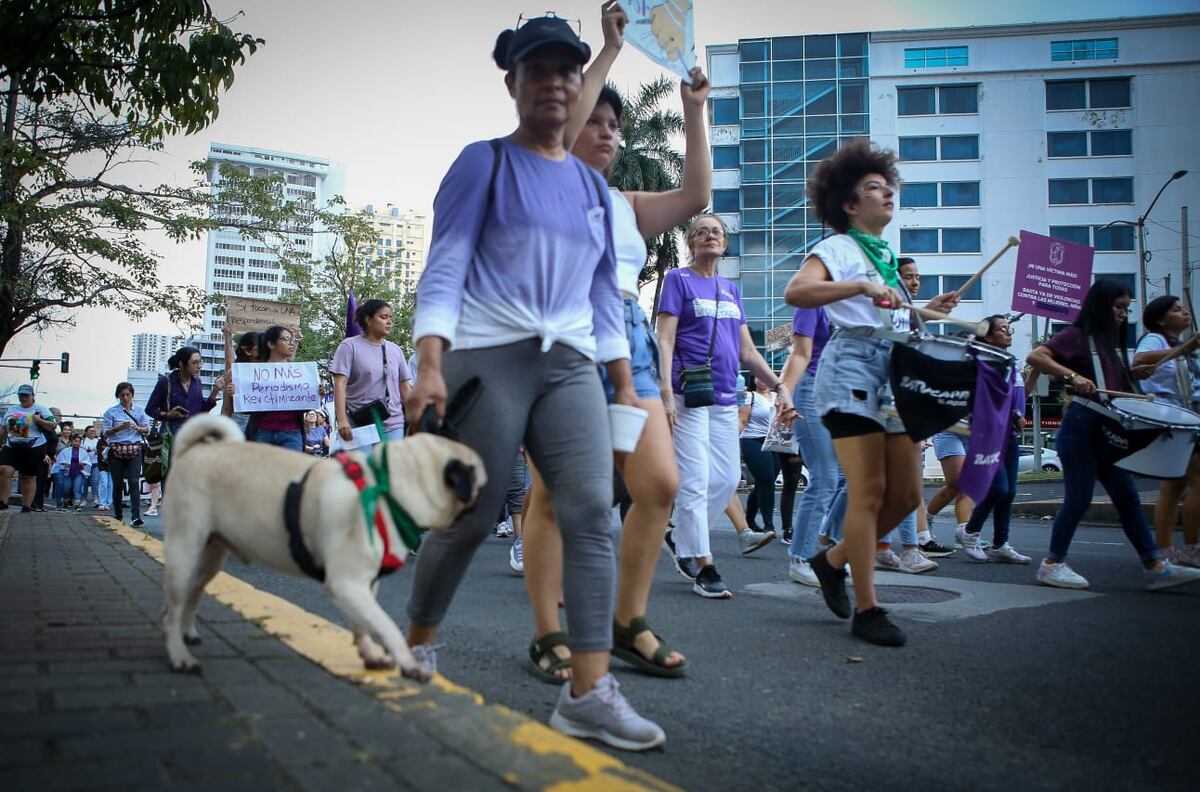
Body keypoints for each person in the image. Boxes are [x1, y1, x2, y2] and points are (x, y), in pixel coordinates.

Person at [403, 15, 664, 751]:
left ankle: (588, 691)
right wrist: (429, 362)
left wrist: (623, 381)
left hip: (572, 365)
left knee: (591, 513)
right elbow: (445, 266)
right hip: (487, 358)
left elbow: (602, 293)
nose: (554, 82)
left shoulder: (591, 188)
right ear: (512, 82)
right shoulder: (482, 162)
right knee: (473, 516)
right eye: (537, 70)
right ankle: (418, 641)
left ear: (580, 82)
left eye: (566, 71)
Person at [519, 2, 706, 683]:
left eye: (613, 125)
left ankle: (628, 621)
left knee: (658, 483)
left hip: (625, 333)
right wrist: (611, 49)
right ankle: (550, 633)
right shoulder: (547, 178)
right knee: (554, 497)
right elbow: (565, 125)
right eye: (594, 119)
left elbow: (695, 193)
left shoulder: (627, 204)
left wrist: (692, 107)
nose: (603, 130)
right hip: (562, 335)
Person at [783, 139, 961, 646]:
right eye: (873, 188)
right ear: (848, 203)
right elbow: (797, 292)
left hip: (895, 367)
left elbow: (889, 315)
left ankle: (832, 559)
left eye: (888, 187)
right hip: (852, 366)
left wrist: (927, 311)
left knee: (906, 495)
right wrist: (856, 287)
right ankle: (869, 607)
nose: (886, 194)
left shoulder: (884, 258)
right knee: (868, 493)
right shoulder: (840, 247)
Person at [1027, 279, 1200, 590]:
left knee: (1128, 498)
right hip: (1081, 426)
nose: (1123, 314)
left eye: (1126, 308)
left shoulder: (1105, 344)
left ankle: (1154, 565)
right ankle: (1052, 564)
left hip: (1104, 429)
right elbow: (1036, 356)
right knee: (1079, 498)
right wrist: (1072, 375)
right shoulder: (1078, 336)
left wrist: (1133, 376)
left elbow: (1113, 389)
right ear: (1100, 306)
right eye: (1118, 307)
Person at [658, 213, 793, 599]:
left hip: (725, 397)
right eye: (701, 232)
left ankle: (680, 534)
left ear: (725, 242)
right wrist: (665, 390)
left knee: (727, 478)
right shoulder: (677, 281)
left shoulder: (730, 290)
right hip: (689, 394)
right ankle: (704, 563)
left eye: (715, 231)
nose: (709, 236)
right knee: (696, 479)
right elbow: (665, 338)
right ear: (691, 242)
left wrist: (779, 385)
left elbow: (748, 351)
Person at [1132, 294, 1200, 567]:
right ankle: (1193, 548)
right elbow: (1140, 360)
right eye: (1176, 309)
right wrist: (1184, 349)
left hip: (1190, 417)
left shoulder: (1185, 346)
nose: (1184, 312)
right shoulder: (1156, 340)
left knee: (1174, 487)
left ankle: (1165, 552)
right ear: (1161, 319)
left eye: (1184, 308)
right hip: (1172, 418)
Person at [959, 316, 1033, 563]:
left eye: (1009, 328)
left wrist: (1016, 415)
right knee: (998, 487)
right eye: (1003, 329)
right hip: (986, 433)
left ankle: (1000, 544)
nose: (1009, 333)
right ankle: (970, 531)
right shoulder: (981, 360)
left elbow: (1009, 397)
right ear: (988, 336)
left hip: (1008, 433)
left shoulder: (1009, 362)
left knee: (1009, 491)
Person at [332, 299, 412, 451]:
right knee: (364, 471)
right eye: (383, 317)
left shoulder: (395, 350)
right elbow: (339, 384)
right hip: (360, 424)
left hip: (393, 423)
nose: (389, 322)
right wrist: (342, 420)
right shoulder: (349, 346)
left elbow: (405, 388)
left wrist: (414, 418)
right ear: (368, 320)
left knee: (390, 470)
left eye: (390, 318)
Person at [145, 346, 224, 480]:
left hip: (192, 435)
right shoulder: (166, 382)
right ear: (182, 364)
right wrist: (167, 414)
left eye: (200, 362)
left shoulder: (197, 382)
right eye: (194, 363)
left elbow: (200, 411)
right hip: (170, 435)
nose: (199, 366)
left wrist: (215, 391)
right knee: (170, 475)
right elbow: (150, 408)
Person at [244, 325, 306, 451]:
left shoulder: (299, 373)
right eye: (285, 339)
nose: (291, 343)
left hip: (291, 433)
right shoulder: (255, 372)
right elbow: (245, 406)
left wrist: (318, 393)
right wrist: (236, 393)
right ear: (271, 344)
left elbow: (307, 404)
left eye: (292, 340)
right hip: (262, 431)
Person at [0, 385, 57, 513]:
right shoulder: (12, 410)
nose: (23, 398)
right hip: (13, 445)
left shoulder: (41, 410)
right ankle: (3, 502)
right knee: (4, 470)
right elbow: (3, 428)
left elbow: (53, 426)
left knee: (28, 476)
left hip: (34, 446)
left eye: (26, 395)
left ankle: (27, 506)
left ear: (32, 396)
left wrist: (39, 420)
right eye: (21, 396)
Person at [739, 374, 782, 539]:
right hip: (752, 440)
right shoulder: (750, 396)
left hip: (774, 441)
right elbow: (742, 419)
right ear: (753, 380)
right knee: (766, 479)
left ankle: (749, 519)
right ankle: (768, 525)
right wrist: (736, 445)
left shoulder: (778, 396)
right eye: (759, 377)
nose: (763, 380)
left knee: (766, 482)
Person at [102, 381, 150, 527]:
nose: (125, 398)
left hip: (134, 448)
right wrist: (119, 428)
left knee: (134, 481)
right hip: (116, 448)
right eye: (122, 395)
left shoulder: (140, 411)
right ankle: (118, 514)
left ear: (132, 395)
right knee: (117, 484)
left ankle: (136, 516)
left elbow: (147, 429)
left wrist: (138, 428)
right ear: (118, 396)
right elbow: (105, 432)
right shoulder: (111, 412)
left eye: (128, 395)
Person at [221, 325, 261, 433]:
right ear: (248, 351)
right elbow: (226, 408)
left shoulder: (271, 370)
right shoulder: (235, 372)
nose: (263, 352)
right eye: (259, 349)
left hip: (262, 422)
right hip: (240, 420)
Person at [80, 426, 102, 507]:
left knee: (95, 481)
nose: (93, 432)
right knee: (84, 482)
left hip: (95, 463)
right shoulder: (82, 441)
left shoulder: (98, 441)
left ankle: (96, 498)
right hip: (85, 464)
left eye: (94, 431)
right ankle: (84, 499)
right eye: (90, 431)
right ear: (86, 432)